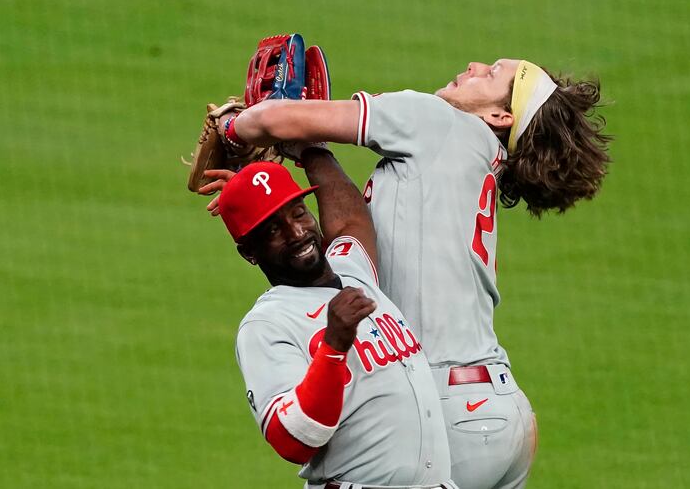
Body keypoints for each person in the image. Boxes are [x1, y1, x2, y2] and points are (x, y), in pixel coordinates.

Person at [204, 57, 611, 489]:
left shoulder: (437, 121)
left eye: (492, 74)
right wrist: (265, 198)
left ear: (500, 116)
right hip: (499, 410)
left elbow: (278, 119)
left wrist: (233, 127)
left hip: (444, 409)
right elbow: (349, 228)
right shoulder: (476, 159)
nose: (474, 65)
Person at [215, 152, 456, 489]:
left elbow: (350, 221)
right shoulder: (267, 324)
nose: (297, 232)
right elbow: (291, 441)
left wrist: (311, 146)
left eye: (298, 213)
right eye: (274, 230)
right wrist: (334, 345)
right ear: (250, 252)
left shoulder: (352, 267)